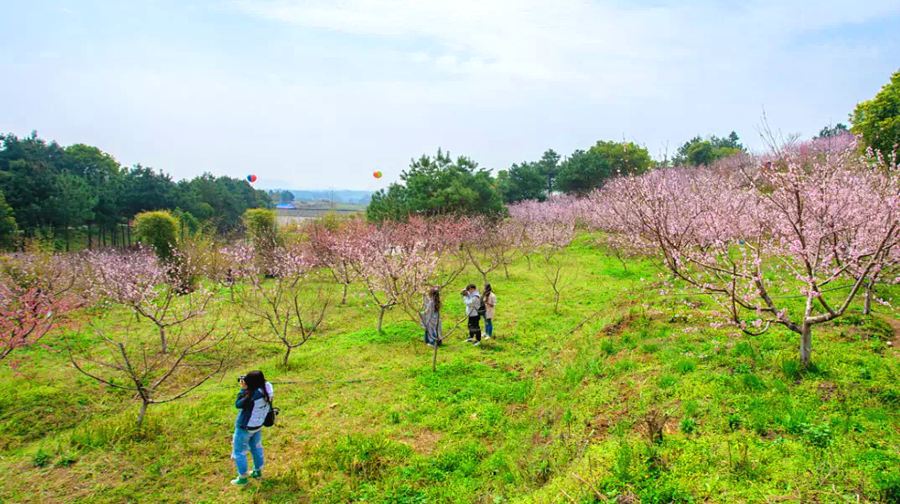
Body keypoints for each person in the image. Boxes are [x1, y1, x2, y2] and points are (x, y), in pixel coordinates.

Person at [231, 370, 273, 486]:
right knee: (256, 448)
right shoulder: (267, 389)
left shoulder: (252, 395)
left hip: (244, 427)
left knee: (239, 452)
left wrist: (243, 389)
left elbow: (238, 404)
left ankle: (243, 478)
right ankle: (257, 472)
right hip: (258, 425)